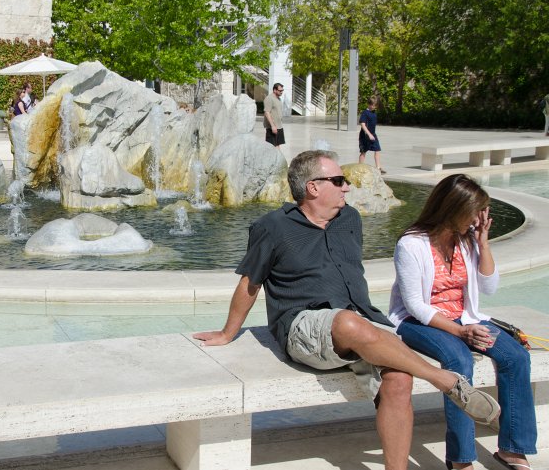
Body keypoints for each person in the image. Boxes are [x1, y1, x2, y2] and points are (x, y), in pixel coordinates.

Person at [194, 150, 500, 470]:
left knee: (399, 380)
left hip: (363, 322)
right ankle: (447, 382)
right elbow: (250, 282)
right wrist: (228, 332)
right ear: (313, 187)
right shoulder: (272, 227)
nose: (347, 187)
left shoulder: (350, 219)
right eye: (339, 181)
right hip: (305, 325)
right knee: (346, 321)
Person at [389, 174, 536, 470]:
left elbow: (489, 287)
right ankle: (461, 458)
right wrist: (460, 332)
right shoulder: (411, 244)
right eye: (474, 212)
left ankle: (512, 448)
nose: (478, 219)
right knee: (459, 361)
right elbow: (416, 306)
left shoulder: (467, 240)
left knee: (516, 356)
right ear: (453, 208)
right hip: (419, 322)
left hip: (463, 317)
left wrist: (483, 243)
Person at [359, 95, 385, 174]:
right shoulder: (365, 113)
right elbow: (363, 125)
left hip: (373, 135)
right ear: (369, 104)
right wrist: (369, 134)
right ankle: (360, 168)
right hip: (365, 136)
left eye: (376, 105)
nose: (375, 107)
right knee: (363, 152)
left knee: (377, 150)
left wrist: (372, 135)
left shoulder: (373, 112)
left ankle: (378, 167)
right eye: (374, 105)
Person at [263, 82, 285, 149]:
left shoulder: (278, 99)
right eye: (280, 90)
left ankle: (279, 159)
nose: (281, 92)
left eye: (282, 90)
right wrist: (272, 126)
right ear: (274, 90)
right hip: (272, 127)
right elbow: (267, 112)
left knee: (277, 145)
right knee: (272, 147)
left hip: (279, 126)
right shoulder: (269, 98)